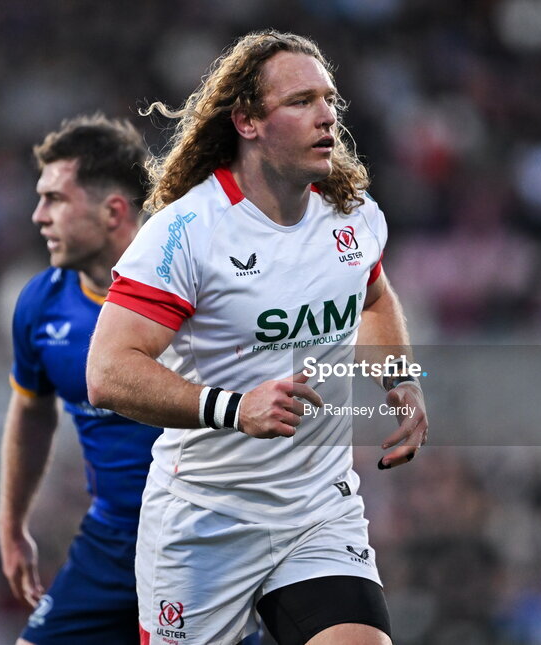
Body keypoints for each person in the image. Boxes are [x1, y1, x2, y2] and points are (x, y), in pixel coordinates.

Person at [86, 30, 429, 645]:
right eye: (300, 101)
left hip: (317, 511)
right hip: (205, 520)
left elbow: (374, 297)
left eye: (330, 100)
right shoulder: (187, 232)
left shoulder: (352, 215)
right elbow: (108, 372)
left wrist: (400, 378)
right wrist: (234, 408)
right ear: (246, 120)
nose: (327, 116)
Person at [0, 114, 163, 645]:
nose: (37, 215)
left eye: (56, 200)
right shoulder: (41, 304)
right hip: (111, 538)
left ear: (114, 210)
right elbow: (31, 412)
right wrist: (12, 521)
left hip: (205, 535)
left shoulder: (188, 287)